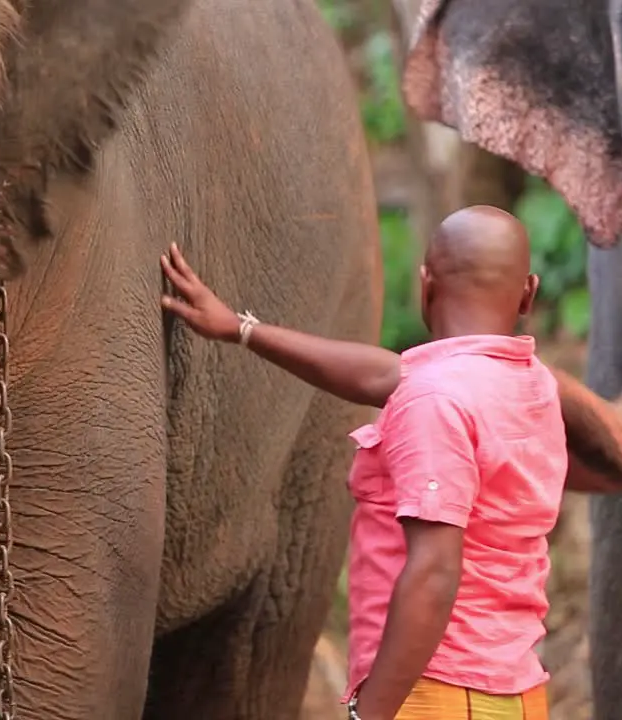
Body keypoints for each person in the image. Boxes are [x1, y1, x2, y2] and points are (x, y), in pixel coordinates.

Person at [161, 205, 560, 720]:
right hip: (514, 695)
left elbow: (435, 572)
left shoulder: (434, 401)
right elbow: (387, 375)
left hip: (436, 692)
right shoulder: (530, 384)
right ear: (528, 293)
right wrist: (240, 328)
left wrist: (370, 713)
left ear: (425, 285)